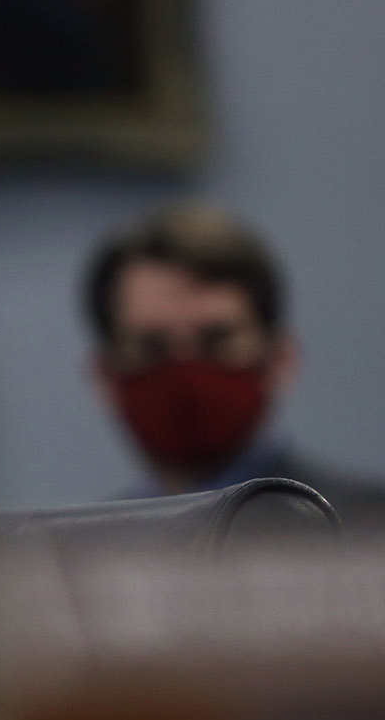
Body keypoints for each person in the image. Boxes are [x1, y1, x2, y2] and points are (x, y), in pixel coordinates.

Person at [84, 202, 385, 523]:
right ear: (105, 376)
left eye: (216, 340)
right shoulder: (76, 556)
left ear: (278, 360)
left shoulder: (369, 532)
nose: (185, 370)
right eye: (152, 346)